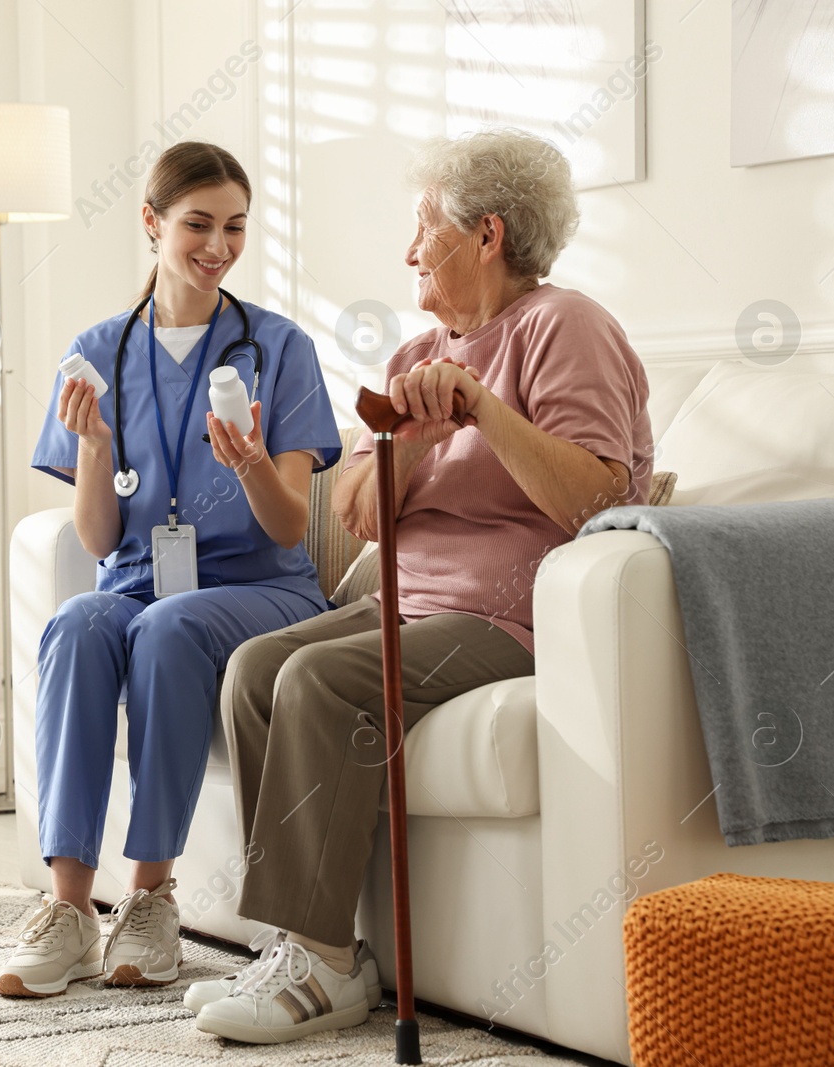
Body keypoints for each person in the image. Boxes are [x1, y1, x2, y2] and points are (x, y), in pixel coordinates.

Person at [192, 127, 654, 1044]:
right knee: (252, 667)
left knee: (318, 681)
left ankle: (325, 965)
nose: (408, 250)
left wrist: (486, 409)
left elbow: (599, 497)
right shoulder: (415, 356)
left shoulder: (565, 327)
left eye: (423, 226)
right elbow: (363, 513)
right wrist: (420, 440)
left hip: (511, 614)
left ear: (486, 235)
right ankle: (308, 943)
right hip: (404, 603)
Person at [0, 141, 344, 999]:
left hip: (262, 589)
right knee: (78, 621)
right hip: (140, 580)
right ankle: (71, 908)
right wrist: (95, 448)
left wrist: (254, 460)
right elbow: (100, 536)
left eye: (235, 227)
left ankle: (150, 896)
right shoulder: (99, 349)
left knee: (167, 624)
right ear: (151, 224)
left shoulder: (278, 347)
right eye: (197, 224)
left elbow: (291, 524)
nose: (217, 246)